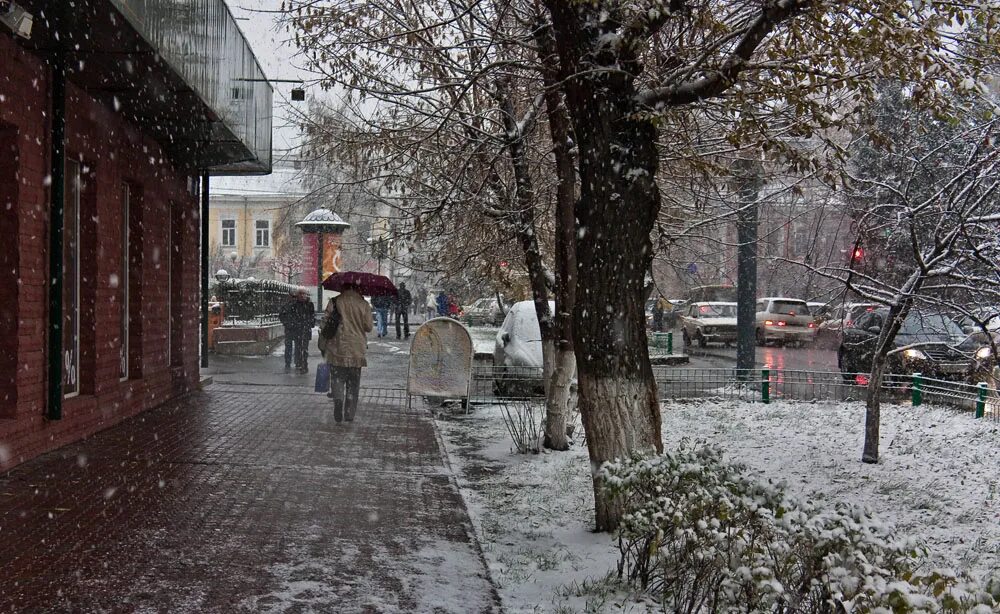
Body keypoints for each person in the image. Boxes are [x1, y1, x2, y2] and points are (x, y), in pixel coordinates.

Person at [317, 283, 373, 423]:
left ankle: (338, 399)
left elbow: (325, 323)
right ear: (357, 288)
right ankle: (349, 412)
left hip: (337, 347)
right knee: (353, 383)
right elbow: (368, 327)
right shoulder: (363, 304)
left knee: (338, 378)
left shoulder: (335, 301)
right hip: (356, 349)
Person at [294, 290, 316, 373]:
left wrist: (310, 323)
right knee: (298, 346)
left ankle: (304, 363)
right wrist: (295, 324)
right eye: (301, 294)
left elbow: (312, 315)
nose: (302, 296)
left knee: (305, 348)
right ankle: (299, 361)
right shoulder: (295, 305)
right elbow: (293, 315)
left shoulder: (309, 304)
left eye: (304, 294)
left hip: (306, 328)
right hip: (298, 329)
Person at [278, 290, 299, 373]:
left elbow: (281, 316)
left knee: (289, 346)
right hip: (295, 329)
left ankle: (288, 362)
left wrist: (286, 323)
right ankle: (296, 362)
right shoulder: (298, 305)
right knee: (297, 346)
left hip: (290, 329)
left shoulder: (287, 305)